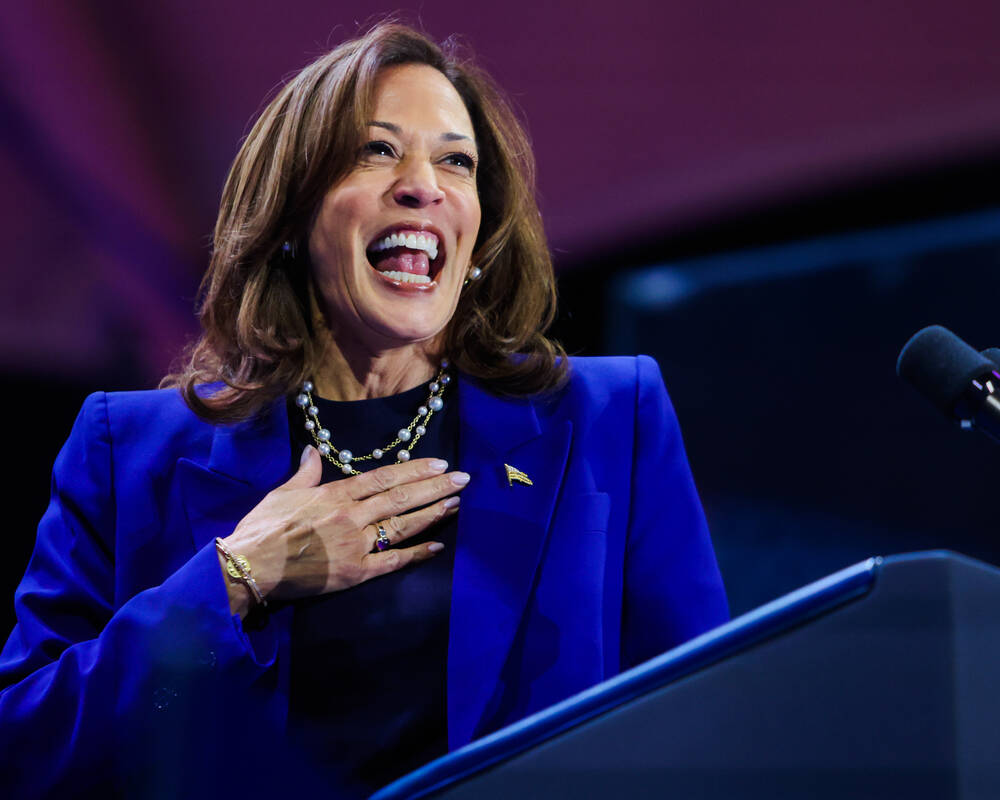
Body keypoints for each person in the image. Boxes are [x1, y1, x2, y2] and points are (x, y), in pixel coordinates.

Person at [0, 22, 728, 798]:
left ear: (478, 236)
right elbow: (27, 747)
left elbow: (712, 716)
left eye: (457, 161)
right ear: (291, 217)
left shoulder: (609, 417)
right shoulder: (127, 447)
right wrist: (240, 576)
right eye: (377, 150)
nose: (425, 185)